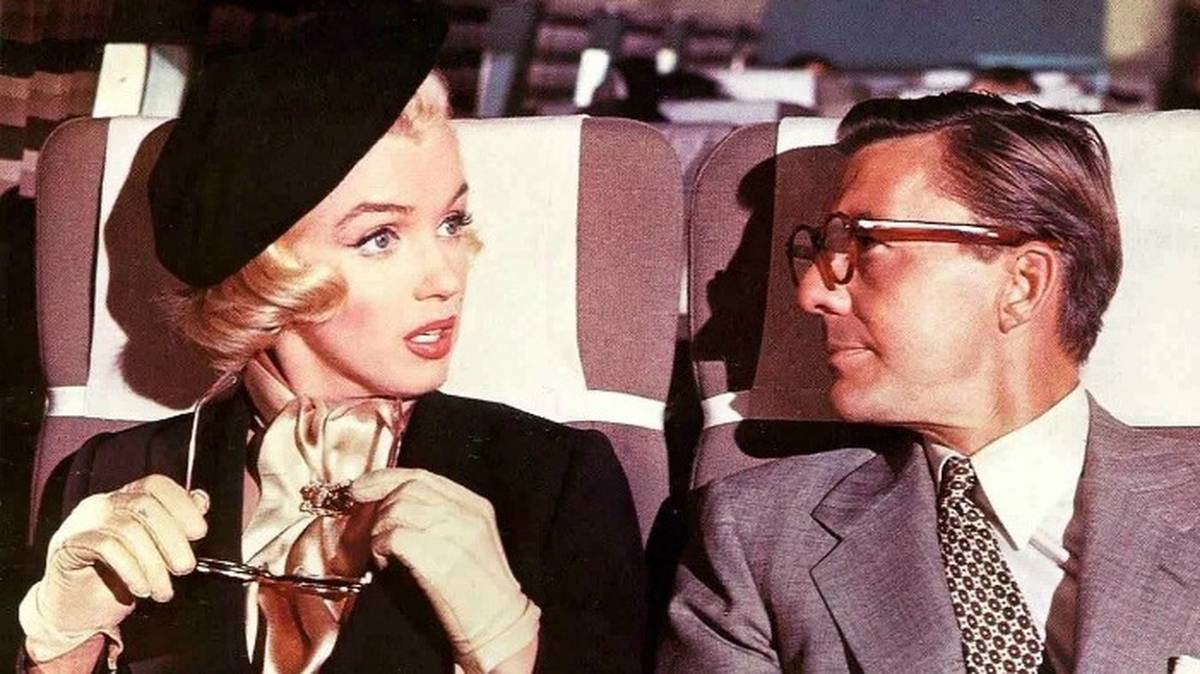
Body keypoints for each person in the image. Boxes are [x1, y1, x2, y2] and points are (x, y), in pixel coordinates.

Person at [19, 4, 644, 673]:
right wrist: (58, 645)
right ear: (270, 275)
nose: (447, 277)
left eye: (452, 222)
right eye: (379, 238)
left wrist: (509, 644)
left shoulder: (554, 481)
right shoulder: (107, 477)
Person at [658, 91, 1200, 672]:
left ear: (1022, 283)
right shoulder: (757, 539)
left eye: (866, 243)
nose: (811, 293)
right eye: (821, 250)